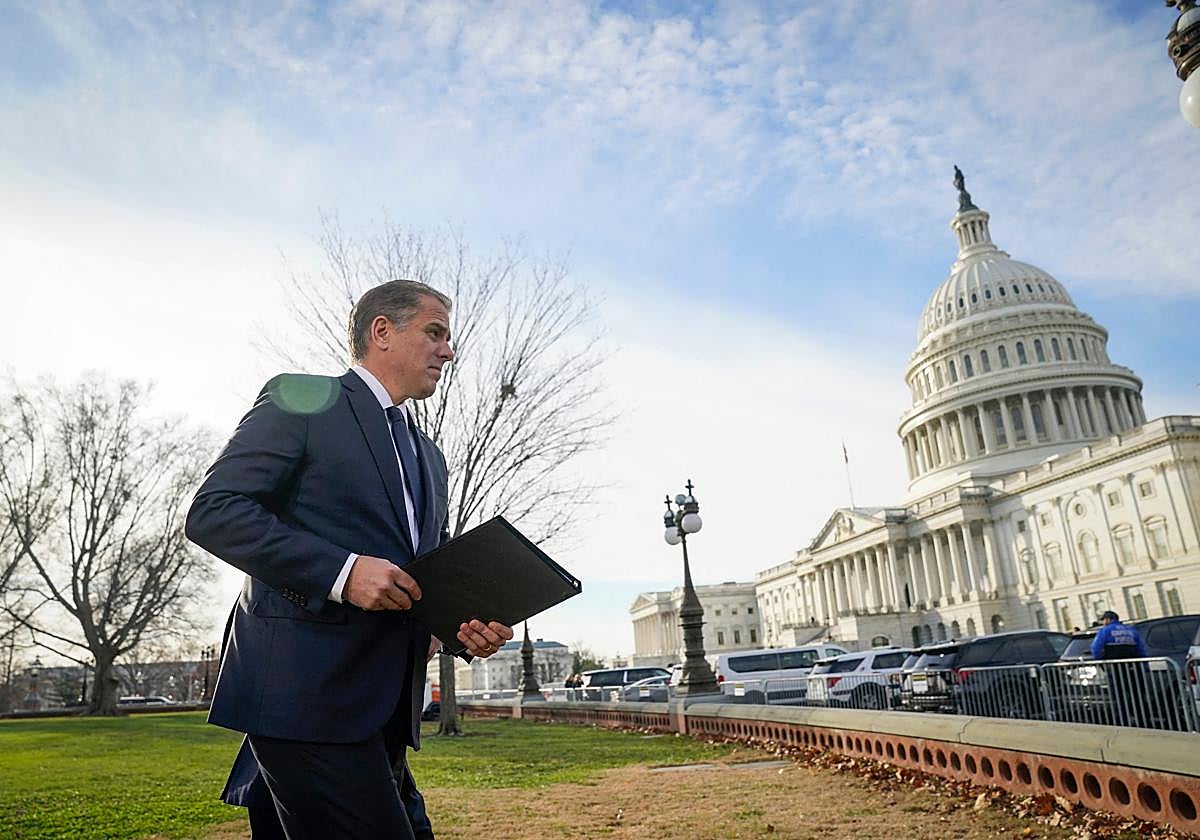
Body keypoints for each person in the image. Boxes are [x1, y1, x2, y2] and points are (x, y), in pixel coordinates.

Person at [186, 279, 514, 839]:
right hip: (305, 699)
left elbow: (418, 579)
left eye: (449, 338)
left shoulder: (429, 456)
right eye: (435, 333)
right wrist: (342, 572)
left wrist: (458, 628)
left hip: (383, 714)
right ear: (382, 331)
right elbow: (215, 512)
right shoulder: (303, 400)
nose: (448, 351)